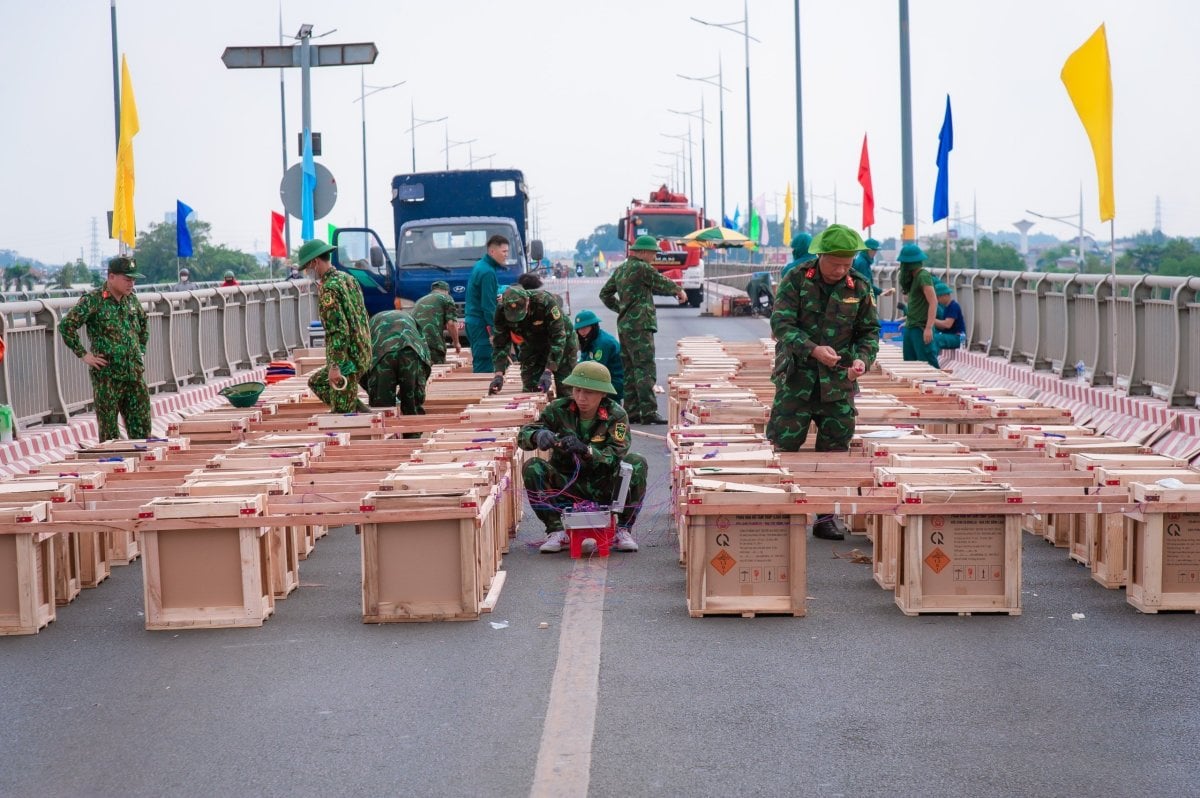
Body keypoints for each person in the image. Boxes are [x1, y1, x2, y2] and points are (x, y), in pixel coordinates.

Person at [767, 223, 880, 540]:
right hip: (797, 377)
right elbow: (782, 324)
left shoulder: (858, 286)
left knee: (834, 451)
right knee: (785, 445)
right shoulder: (797, 278)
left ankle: (825, 517)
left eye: (847, 263)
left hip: (838, 381)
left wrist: (862, 360)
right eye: (835, 263)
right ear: (820, 257)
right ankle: (782, 511)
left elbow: (869, 332)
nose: (841, 269)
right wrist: (813, 350)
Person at [518, 362, 646, 553]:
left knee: (636, 463)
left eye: (589, 392)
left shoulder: (616, 415)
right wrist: (537, 436)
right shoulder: (558, 409)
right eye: (577, 390)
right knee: (532, 466)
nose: (581, 397)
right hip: (567, 482)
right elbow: (525, 434)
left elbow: (616, 454)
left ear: (603, 394)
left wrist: (587, 451)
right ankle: (555, 531)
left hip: (603, 484)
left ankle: (623, 529)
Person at [58, 256, 151, 441]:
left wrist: (140, 350)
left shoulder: (131, 300)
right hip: (108, 377)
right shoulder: (93, 300)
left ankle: (140, 466)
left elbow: (143, 324)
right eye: (127, 279)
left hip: (134, 374)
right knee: (109, 433)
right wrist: (84, 355)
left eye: (133, 279)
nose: (131, 283)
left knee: (142, 429)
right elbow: (66, 326)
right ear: (111, 277)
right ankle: (117, 466)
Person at [598, 235, 688, 424]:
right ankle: (647, 412)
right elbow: (660, 281)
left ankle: (631, 411)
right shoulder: (641, 267)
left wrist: (621, 309)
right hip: (640, 327)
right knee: (644, 368)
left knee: (629, 369)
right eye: (653, 253)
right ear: (644, 252)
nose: (654, 256)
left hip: (625, 327)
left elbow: (604, 294)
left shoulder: (621, 269)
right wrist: (679, 291)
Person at [297, 239, 371, 413]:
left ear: (315, 262)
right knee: (316, 382)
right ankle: (356, 407)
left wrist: (336, 367)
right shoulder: (348, 279)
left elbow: (338, 330)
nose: (308, 272)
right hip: (362, 352)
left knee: (342, 415)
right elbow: (364, 315)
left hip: (346, 360)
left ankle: (354, 410)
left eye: (307, 267)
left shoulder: (328, 289)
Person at [488, 285, 573, 396]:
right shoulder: (501, 311)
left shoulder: (545, 302)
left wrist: (548, 371)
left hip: (562, 342)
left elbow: (558, 338)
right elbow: (500, 344)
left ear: (528, 302)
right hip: (531, 342)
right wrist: (498, 375)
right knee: (531, 387)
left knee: (564, 387)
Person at [361, 310, 431, 438]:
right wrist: (415, 389)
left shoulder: (368, 325)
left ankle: (385, 443)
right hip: (411, 351)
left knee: (382, 408)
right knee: (412, 405)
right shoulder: (411, 319)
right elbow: (425, 359)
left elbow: (362, 367)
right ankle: (413, 439)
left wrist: (373, 390)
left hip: (382, 355)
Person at [465, 235, 509, 373]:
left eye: (507, 252)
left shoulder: (482, 266)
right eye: (504, 252)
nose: (506, 255)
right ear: (492, 252)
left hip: (475, 322)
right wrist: (496, 332)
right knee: (486, 365)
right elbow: (488, 306)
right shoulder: (487, 272)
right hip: (481, 324)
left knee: (482, 360)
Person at [898, 243, 940, 368]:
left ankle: (935, 386)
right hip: (911, 326)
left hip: (920, 328)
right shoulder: (913, 278)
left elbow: (933, 301)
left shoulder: (923, 276)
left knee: (926, 364)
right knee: (911, 364)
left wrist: (928, 328)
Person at [573, 309, 624, 402]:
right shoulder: (590, 338)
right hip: (601, 381)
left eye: (585, 328)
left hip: (612, 385)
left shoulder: (604, 343)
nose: (582, 331)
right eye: (579, 329)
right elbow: (584, 360)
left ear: (593, 326)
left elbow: (594, 370)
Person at [412, 280, 460, 365]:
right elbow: (451, 324)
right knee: (437, 368)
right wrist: (456, 343)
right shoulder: (446, 298)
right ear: (446, 291)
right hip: (432, 342)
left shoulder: (420, 300)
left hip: (415, 342)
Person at [932, 279, 966, 352]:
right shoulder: (946, 307)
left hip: (957, 337)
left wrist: (931, 320)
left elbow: (947, 324)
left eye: (938, 297)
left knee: (935, 339)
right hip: (950, 335)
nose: (937, 300)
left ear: (945, 295)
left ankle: (932, 360)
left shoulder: (954, 306)